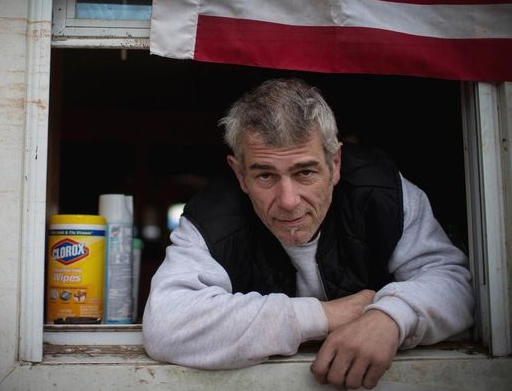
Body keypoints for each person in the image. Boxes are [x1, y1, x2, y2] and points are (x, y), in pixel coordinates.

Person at [142, 78, 474, 389]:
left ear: (336, 163)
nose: (288, 201)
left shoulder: (382, 192)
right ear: (239, 174)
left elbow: (456, 284)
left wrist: (391, 317)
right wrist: (326, 315)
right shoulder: (210, 218)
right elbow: (168, 325)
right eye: (266, 177)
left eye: (305, 172)